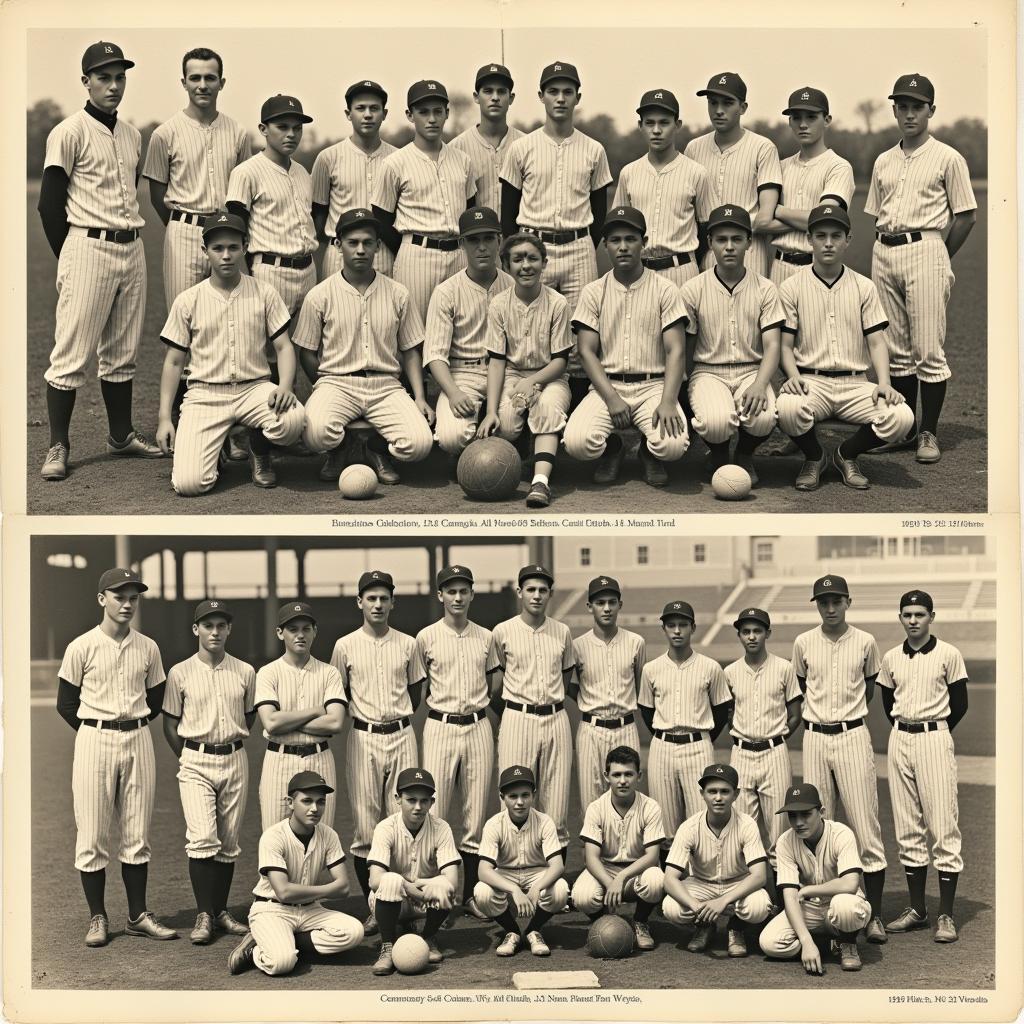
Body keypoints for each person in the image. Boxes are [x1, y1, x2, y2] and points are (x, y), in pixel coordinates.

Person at [39, 40, 163, 481]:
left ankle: (121, 435)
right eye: (104, 77)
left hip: (131, 247)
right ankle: (58, 444)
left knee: (122, 352)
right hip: (87, 245)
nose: (113, 85)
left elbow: (129, 192)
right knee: (71, 353)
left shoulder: (132, 135)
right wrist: (72, 256)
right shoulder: (68, 131)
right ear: (86, 82)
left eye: (119, 77)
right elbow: (49, 205)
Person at [55, 567, 175, 946]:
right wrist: (96, 730)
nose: (127, 604)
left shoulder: (149, 647)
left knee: (137, 835)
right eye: (119, 596)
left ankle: (138, 915)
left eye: (133, 597)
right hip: (94, 739)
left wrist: (130, 726)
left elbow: (155, 700)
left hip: (138, 738)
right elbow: (66, 704)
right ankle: (98, 917)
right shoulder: (81, 646)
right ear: (101, 599)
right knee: (91, 836)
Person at [865, 73, 977, 464]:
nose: (910, 113)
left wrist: (940, 253)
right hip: (885, 249)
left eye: (918, 106)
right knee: (894, 351)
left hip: (926, 247)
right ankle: (905, 428)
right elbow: (876, 214)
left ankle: (928, 432)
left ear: (931, 110)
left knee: (927, 349)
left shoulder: (948, 156)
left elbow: (966, 216)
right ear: (894, 109)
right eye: (903, 106)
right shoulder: (883, 159)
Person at [155, 211, 306, 493]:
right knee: (189, 485)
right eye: (218, 248)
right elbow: (174, 362)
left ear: (245, 247)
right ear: (205, 251)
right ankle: (214, 454)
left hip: (254, 389)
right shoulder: (188, 300)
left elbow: (284, 346)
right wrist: (165, 416)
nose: (226, 255)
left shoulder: (264, 291)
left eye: (233, 247)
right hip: (205, 395)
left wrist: (285, 386)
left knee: (293, 420)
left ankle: (258, 451)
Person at [776, 203, 914, 491]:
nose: (828, 243)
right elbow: (785, 346)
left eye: (836, 236)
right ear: (809, 239)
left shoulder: (865, 286)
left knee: (902, 417)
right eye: (821, 235)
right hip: (811, 382)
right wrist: (793, 376)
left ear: (848, 240)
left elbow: (877, 341)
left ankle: (846, 454)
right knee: (786, 407)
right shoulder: (791, 286)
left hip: (855, 385)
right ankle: (815, 457)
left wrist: (885, 383)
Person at [294, 207, 435, 486]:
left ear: (378, 246)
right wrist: (323, 384)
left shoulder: (398, 293)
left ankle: (376, 449)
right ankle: (340, 447)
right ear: (338, 245)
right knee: (313, 434)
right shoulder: (319, 295)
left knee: (420, 445)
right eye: (352, 242)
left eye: (368, 242)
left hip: (385, 386)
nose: (360, 250)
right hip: (337, 382)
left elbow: (409, 350)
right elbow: (307, 353)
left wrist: (419, 396)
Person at [500, 60, 612, 400]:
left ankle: (573, 413)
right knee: (531, 330)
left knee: (581, 334)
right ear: (541, 96)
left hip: (578, 245)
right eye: (553, 91)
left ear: (578, 97)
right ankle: (529, 407)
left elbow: (599, 214)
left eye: (567, 92)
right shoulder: (521, 148)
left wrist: (580, 242)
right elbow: (508, 215)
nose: (560, 98)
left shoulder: (593, 149)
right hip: (534, 243)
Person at [791, 574, 888, 944]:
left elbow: (868, 688)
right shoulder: (803, 642)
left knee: (865, 824)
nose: (829, 608)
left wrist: (848, 716)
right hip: (815, 736)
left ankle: (874, 915)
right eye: (823, 601)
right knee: (819, 824)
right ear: (816, 604)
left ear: (848, 601)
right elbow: (803, 687)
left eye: (836, 601)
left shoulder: (865, 641)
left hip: (852, 734)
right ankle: (824, 913)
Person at [562, 206, 689, 487]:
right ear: (605, 245)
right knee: (577, 443)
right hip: (609, 385)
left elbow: (676, 350)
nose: (623, 247)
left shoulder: (665, 289)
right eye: (615, 240)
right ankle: (613, 449)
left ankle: (648, 451)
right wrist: (611, 398)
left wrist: (669, 401)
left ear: (644, 242)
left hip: (653, 386)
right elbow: (585, 351)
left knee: (673, 446)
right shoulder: (593, 291)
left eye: (631, 239)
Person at [330, 570, 426, 930]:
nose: (378, 604)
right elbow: (339, 694)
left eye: (384, 598)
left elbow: (415, 694)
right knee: (366, 829)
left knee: (403, 822)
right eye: (371, 598)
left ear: (393, 602)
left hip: (401, 733)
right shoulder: (344, 645)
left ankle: (406, 904)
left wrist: (395, 719)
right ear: (359, 602)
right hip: (363, 736)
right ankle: (377, 907)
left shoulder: (408, 643)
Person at [162, 599, 255, 944]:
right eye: (208, 625)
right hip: (195, 759)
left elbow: (249, 716)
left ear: (229, 629)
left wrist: (227, 739)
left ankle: (220, 911)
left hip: (234, 756)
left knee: (228, 842)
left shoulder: (245, 671)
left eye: (221, 625)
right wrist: (187, 757)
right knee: (202, 838)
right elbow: (169, 723)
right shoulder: (180, 672)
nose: (214, 632)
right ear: (196, 629)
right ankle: (204, 914)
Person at [878, 590, 969, 943]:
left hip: (935, 736)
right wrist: (909, 730)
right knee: (906, 825)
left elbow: (959, 703)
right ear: (900, 618)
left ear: (932, 616)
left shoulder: (949, 653)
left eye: (919, 614)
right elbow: (888, 702)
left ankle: (945, 914)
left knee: (943, 824)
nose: (913, 620)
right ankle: (918, 909)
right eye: (907, 614)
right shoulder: (890, 658)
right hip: (900, 737)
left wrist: (936, 731)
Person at [679, 204, 783, 485]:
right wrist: (685, 382)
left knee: (762, 417)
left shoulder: (766, 288)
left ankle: (745, 454)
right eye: (721, 240)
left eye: (737, 239)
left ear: (749, 242)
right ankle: (720, 455)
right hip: (708, 371)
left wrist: (761, 384)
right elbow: (685, 344)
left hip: (752, 370)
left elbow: (773, 346)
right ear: (710, 243)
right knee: (715, 422)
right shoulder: (692, 289)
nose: (729, 247)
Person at [415, 565, 496, 920]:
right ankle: (434, 894)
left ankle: (469, 897)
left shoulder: (487, 636)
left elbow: (494, 685)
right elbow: (419, 689)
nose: (458, 597)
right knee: (434, 812)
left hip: (478, 724)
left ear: (472, 595)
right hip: (440, 725)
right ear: (440, 596)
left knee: (475, 815)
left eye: (464, 591)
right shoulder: (425, 637)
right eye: (451, 591)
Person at [143, 48, 252, 308]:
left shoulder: (237, 132)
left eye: (210, 78)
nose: (202, 85)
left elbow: (245, 190)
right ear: (184, 83)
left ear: (221, 83)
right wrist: (181, 223)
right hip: (184, 231)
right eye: (195, 78)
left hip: (228, 231)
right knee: (184, 316)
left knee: (235, 314)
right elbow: (157, 195)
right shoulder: (165, 133)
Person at [227, 771, 364, 976]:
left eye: (320, 802)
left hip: (310, 910)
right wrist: (328, 889)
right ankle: (255, 949)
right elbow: (283, 892)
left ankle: (286, 940)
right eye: (306, 801)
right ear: (290, 802)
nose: (314, 808)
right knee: (282, 963)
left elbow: (344, 887)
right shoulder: (273, 836)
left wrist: (306, 893)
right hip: (272, 909)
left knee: (354, 932)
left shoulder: (329, 835)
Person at [478, 232, 574, 508]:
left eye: (532, 258)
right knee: (505, 424)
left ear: (544, 263)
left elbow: (560, 361)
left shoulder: (558, 303)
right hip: (513, 374)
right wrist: (491, 411)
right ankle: (524, 451)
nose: (526, 265)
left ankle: (540, 482)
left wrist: (533, 381)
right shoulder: (498, 304)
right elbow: (496, 361)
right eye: (517, 259)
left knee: (546, 408)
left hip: (551, 376)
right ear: (506, 266)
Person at [487, 564, 576, 855]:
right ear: (519, 592)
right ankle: (514, 872)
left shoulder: (562, 631)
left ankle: (555, 879)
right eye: (531, 589)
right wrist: (513, 714)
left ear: (550, 594)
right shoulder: (502, 631)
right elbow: (494, 685)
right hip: (517, 717)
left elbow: (563, 680)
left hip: (555, 717)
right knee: (514, 801)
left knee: (557, 803)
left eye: (542, 590)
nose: (536, 595)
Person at [371, 80, 476, 321]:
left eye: (438, 111)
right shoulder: (395, 163)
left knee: (460, 328)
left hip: (458, 252)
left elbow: (470, 211)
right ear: (410, 115)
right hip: (417, 254)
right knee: (415, 334)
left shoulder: (462, 160)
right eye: (423, 112)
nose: (431, 119)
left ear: (447, 114)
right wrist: (409, 248)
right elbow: (381, 218)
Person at [638, 600, 732, 858]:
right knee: (665, 822)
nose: (677, 630)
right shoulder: (651, 669)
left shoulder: (710, 667)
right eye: (671, 625)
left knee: (700, 819)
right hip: (662, 747)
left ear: (693, 628)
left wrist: (700, 738)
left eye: (682, 625)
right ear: (664, 629)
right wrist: (666, 735)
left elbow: (721, 711)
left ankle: (702, 883)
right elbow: (647, 711)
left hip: (698, 746)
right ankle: (670, 889)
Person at [424, 207, 512, 465]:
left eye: (488, 238)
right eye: (473, 240)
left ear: (500, 240)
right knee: (451, 437)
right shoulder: (446, 292)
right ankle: (470, 457)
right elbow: (434, 355)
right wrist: (453, 392)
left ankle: (511, 448)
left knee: (509, 425)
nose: (481, 247)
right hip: (463, 373)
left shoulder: (514, 286)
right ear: (462, 244)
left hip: (508, 372)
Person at [723, 607, 802, 895]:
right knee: (742, 831)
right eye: (746, 631)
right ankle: (747, 908)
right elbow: (728, 713)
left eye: (757, 630)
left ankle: (782, 905)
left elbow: (795, 714)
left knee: (780, 833)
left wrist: (777, 738)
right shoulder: (730, 672)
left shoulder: (784, 668)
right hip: (741, 753)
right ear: (740, 635)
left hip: (774, 753)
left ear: (768, 633)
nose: (752, 636)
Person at [759, 783, 872, 973]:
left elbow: (850, 883)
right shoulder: (785, 842)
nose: (799, 822)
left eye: (805, 814)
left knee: (845, 907)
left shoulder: (841, 834)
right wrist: (806, 941)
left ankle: (848, 943)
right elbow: (790, 897)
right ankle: (821, 945)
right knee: (769, 943)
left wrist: (809, 889)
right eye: (792, 816)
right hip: (809, 908)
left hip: (841, 903)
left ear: (822, 811)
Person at [662, 763, 773, 957]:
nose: (718, 798)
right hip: (701, 884)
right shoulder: (689, 827)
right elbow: (669, 879)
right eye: (712, 791)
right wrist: (697, 907)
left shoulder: (747, 824)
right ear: (702, 794)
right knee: (671, 907)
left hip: (737, 883)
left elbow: (759, 876)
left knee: (759, 907)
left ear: (736, 794)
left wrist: (722, 901)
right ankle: (704, 925)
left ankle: (736, 928)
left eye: (725, 791)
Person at [254, 602, 347, 831]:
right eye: (293, 629)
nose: (300, 635)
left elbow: (335, 722)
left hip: (319, 758)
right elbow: (271, 722)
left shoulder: (329, 673)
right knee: (275, 837)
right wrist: (315, 711)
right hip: (279, 759)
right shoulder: (267, 672)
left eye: (306, 628)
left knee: (321, 837)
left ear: (315, 631)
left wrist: (288, 721)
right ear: (280, 633)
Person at [226, 95, 317, 319]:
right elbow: (236, 228)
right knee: (264, 348)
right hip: (270, 270)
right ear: (263, 129)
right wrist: (246, 275)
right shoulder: (246, 172)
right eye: (282, 127)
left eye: (297, 128)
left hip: (308, 269)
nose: (291, 134)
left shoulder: (303, 172)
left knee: (305, 348)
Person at [684, 73, 782, 276]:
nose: (719, 111)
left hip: (750, 251)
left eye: (728, 103)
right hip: (706, 251)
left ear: (743, 108)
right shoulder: (693, 149)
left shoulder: (762, 147)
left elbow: (765, 215)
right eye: (713, 103)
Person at [571, 746, 665, 951]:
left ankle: (640, 921)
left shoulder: (650, 807)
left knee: (656, 880)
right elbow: (591, 858)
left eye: (628, 774)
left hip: (637, 871)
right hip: (605, 868)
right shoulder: (596, 808)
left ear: (639, 776)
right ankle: (603, 921)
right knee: (582, 896)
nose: (623, 780)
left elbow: (652, 856)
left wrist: (621, 879)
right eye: (617, 775)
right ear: (607, 776)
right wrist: (609, 882)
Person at [367, 768, 461, 974]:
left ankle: (427, 936)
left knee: (444, 886)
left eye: (424, 801)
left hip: (424, 904)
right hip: (390, 899)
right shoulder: (385, 827)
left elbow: (452, 881)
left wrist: (427, 888)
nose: (418, 807)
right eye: (411, 800)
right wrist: (411, 887)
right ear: (397, 798)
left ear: (432, 802)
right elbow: (375, 880)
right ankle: (387, 946)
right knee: (389, 879)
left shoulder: (441, 827)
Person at [613, 89, 711, 285]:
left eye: (664, 123)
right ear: (640, 125)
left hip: (681, 269)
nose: (656, 130)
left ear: (677, 125)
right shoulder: (629, 172)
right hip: (639, 269)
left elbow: (706, 228)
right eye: (650, 123)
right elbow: (619, 227)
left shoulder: (696, 172)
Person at [761, 87, 854, 286]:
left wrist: (777, 210)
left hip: (817, 267)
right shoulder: (781, 166)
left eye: (811, 117)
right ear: (789, 122)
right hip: (779, 266)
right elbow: (763, 223)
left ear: (827, 120)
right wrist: (809, 216)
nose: (803, 124)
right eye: (796, 118)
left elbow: (824, 221)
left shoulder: (838, 166)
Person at [475, 765, 569, 957]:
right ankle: (512, 931)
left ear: (533, 795)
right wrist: (514, 890)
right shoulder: (494, 824)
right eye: (513, 796)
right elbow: (484, 870)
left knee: (560, 890)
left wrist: (536, 888)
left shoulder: (544, 821)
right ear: (502, 797)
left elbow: (557, 865)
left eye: (525, 795)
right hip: (506, 872)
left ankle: (533, 930)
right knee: (482, 892)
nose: (520, 802)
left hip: (537, 872)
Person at [569, 576, 645, 810]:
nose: (607, 608)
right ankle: (592, 848)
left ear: (620, 605)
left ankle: (628, 847)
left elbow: (640, 684)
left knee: (628, 799)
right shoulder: (578, 645)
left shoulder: (636, 642)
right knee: (591, 802)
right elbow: (570, 686)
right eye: (600, 603)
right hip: (591, 728)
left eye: (612, 602)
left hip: (625, 727)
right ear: (589, 606)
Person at [312, 80, 396, 281]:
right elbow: (317, 218)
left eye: (374, 108)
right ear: (348, 114)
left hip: (383, 252)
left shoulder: (398, 158)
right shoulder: (328, 158)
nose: (367, 114)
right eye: (360, 108)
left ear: (384, 114)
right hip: (339, 254)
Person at [450, 64, 523, 219]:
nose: (495, 97)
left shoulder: (527, 144)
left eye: (501, 91)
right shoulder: (456, 148)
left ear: (511, 98)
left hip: (519, 238)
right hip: (477, 239)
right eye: (488, 91)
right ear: (476, 97)